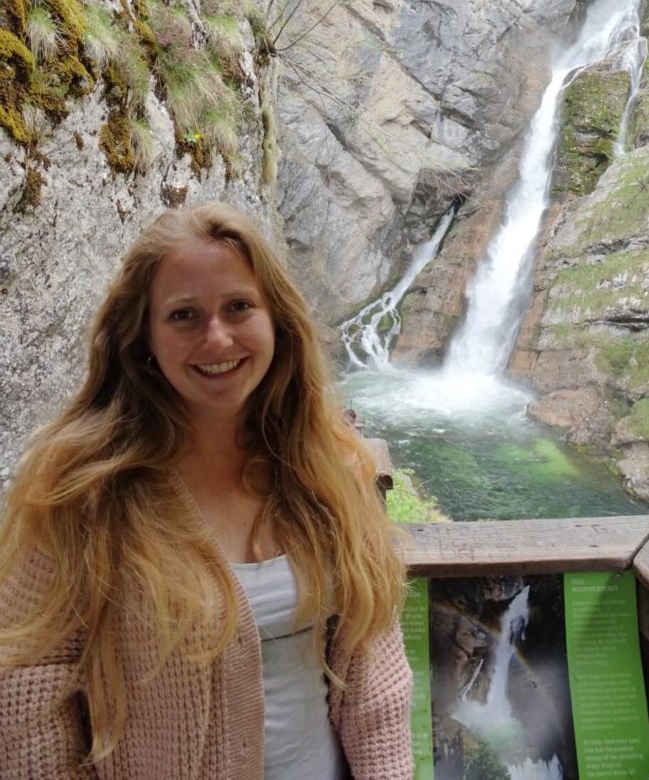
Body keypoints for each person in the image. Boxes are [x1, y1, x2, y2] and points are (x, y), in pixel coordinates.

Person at [0, 202, 413, 779]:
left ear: (277, 320)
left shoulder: (329, 465)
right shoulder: (84, 486)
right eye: (184, 315)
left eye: (238, 307)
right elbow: (25, 687)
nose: (217, 338)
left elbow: (374, 665)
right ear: (144, 335)